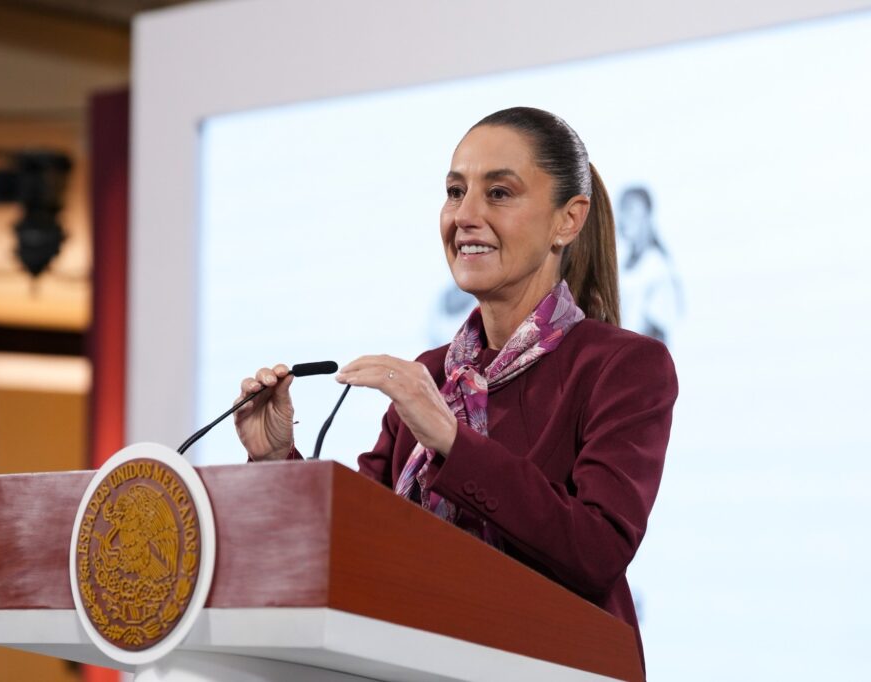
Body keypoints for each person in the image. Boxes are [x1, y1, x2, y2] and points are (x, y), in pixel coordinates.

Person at [232, 107, 677, 671]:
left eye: (499, 193)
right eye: (454, 192)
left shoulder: (624, 366)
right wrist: (276, 462)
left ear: (568, 221)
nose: (464, 216)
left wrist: (451, 439)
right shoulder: (431, 372)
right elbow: (353, 543)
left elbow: (596, 551)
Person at [616, 186, 684, 344]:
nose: (624, 218)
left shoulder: (656, 266)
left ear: (646, 215)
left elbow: (658, 330)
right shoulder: (624, 264)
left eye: (630, 210)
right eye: (621, 210)